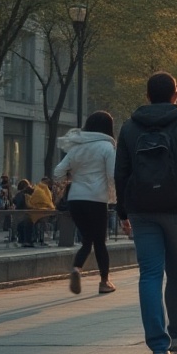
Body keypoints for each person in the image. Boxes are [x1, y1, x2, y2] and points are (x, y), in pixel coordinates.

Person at [115, 71, 177, 354]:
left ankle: (158, 350)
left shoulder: (130, 128)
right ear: (175, 95)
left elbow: (121, 171)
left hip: (142, 209)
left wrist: (122, 210)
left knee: (150, 275)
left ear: (147, 96)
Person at [55, 111, 117, 294]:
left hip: (75, 198)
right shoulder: (107, 147)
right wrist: (115, 196)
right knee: (99, 242)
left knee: (87, 240)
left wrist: (65, 184)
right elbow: (112, 175)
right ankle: (104, 281)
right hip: (96, 198)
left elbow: (59, 170)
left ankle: (77, 268)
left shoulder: (76, 147)